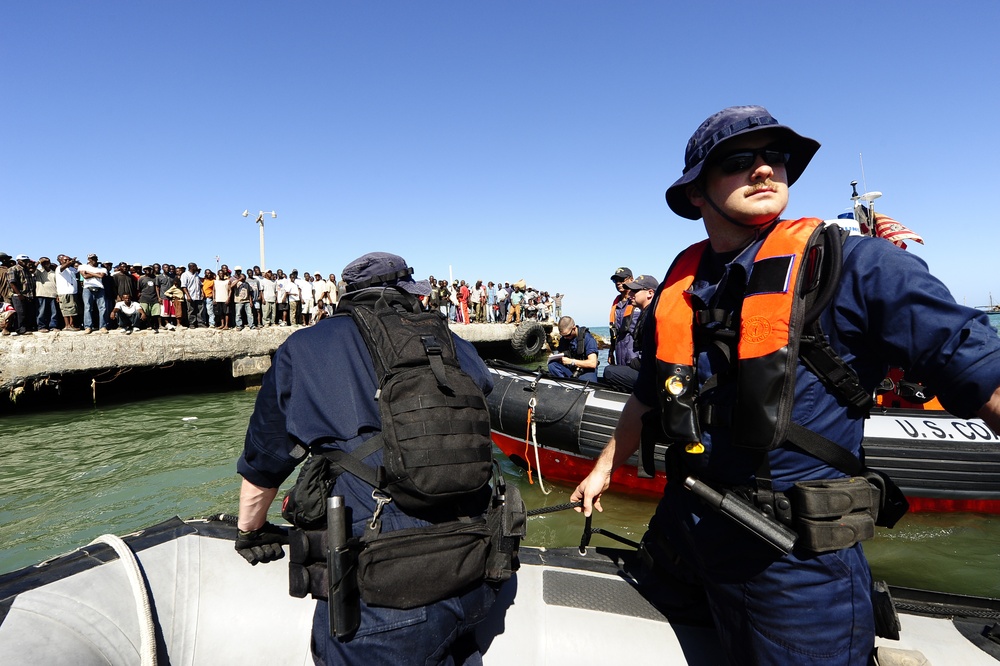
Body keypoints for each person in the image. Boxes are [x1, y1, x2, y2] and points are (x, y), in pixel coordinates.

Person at [570, 105, 1000, 666]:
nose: (765, 170)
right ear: (696, 191)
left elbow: (980, 370)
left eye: (777, 158)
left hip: (791, 563)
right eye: (738, 160)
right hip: (683, 531)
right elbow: (651, 393)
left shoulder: (853, 267)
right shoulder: (679, 286)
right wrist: (605, 466)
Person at [235, 252, 496, 664]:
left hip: (381, 584)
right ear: (409, 292)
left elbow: (265, 463)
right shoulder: (453, 344)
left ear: (347, 294)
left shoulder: (305, 347)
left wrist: (250, 529)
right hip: (472, 567)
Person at [602, 274, 656, 392]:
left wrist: (635, 362)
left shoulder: (652, 316)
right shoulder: (619, 305)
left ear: (650, 293)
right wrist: (611, 351)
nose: (630, 294)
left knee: (610, 372)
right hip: (621, 349)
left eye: (635, 291)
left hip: (635, 356)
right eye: (615, 281)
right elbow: (614, 330)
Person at [547, 315, 599, 382]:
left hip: (586, 370)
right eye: (563, 336)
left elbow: (592, 363)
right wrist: (555, 357)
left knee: (586, 383)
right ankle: (564, 383)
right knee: (552, 365)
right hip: (571, 369)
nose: (565, 338)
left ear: (574, 328)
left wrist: (572, 362)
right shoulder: (564, 339)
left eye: (567, 335)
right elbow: (562, 354)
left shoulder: (588, 339)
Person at [607, 267, 633, 366]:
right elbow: (613, 332)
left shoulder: (638, 301)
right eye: (615, 280)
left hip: (634, 354)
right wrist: (611, 352)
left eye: (621, 279)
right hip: (619, 352)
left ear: (631, 279)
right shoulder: (616, 304)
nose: (618, 283)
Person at [79, 253, 109, 333]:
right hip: (87, 288)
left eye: (94, 258)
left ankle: (103, 326)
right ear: (88, 259)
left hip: (100, 288)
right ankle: (88, 327)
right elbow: (84, 276)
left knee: (102, 307)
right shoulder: (82, 266)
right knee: (88, 307)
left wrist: (89, 273)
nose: (93, 260)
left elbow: (101, 276)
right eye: (91, 258)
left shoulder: (102, 268)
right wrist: (96, 274)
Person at [55, 255, 81, 331]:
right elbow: (63, 268)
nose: (67, 261)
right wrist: (69, 263)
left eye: (68, 259)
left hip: (73, 292)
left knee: (73, 309)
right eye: (65, 260)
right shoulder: (59, 268)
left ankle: (72, 324)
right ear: (60, 261)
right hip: (64, 292)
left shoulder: (72, 269)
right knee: (66, 309)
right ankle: (67, 325)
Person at [34, 257, 59, 332]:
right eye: (44, 262)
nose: (46, 264)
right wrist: (39, 262)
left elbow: (57, 284)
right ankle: (41, 327)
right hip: (41, 294)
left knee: (54, 312)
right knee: (41, 312)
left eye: (47, 262)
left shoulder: (54, 272)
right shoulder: (38, 271)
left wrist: (58, 294)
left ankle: (53, 326)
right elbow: (31, 269)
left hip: (53, 294)